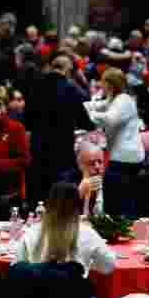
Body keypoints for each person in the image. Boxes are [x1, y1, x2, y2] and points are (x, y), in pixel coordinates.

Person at [25, 55, 94, 204]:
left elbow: (27, 119)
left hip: (38, 146)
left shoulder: (36, 84)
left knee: (40, 191)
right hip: (61, 147)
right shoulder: (69, 87)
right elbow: (84, 119)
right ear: (67, 70)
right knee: (59, 191)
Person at [16, 182, 116, 276]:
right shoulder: (88, 233)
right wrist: (88, 263)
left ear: (49, 204)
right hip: (73, 293)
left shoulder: (31, 231)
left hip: (36, 292)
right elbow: (108, 266)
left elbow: (17, 267)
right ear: (77, 207)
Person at [88, 67, 144, 218]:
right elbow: (96, 105)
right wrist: (83, 107)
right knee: (120, 198)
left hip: (125, 158)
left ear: (110, 85)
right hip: (123, 156)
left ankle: (122, 227)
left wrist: (91, 115)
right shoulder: (114, 99)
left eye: (103, 82)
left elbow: (110, 119)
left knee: (117, 200)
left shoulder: (124, 100)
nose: (101, 86)